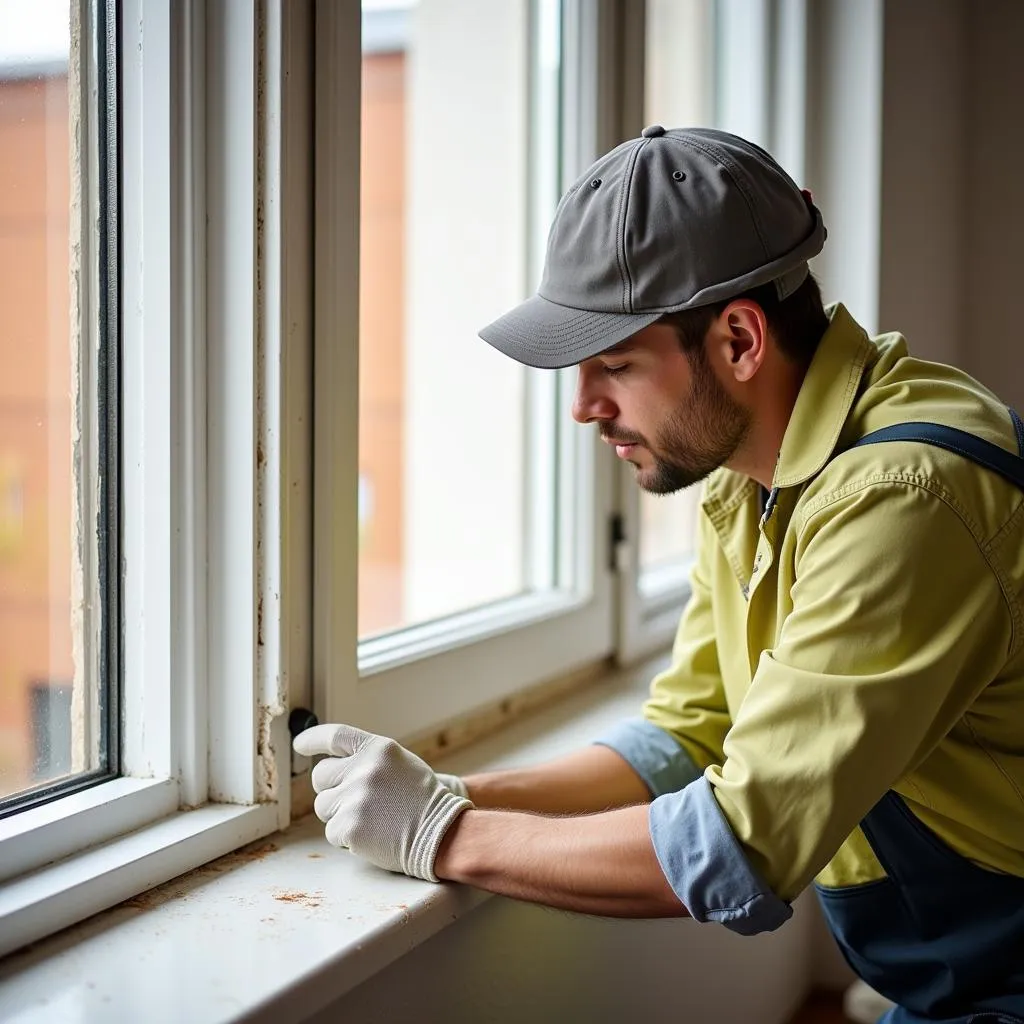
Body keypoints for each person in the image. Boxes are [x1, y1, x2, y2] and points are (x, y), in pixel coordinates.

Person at [294, 127, 1024, 1024]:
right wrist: (458, 791)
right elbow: (689, 735)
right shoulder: (759, 481)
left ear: (741, 340)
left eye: (618, 364)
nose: (583, 405)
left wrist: (441, 836)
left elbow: (739, 847)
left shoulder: (901, 499)